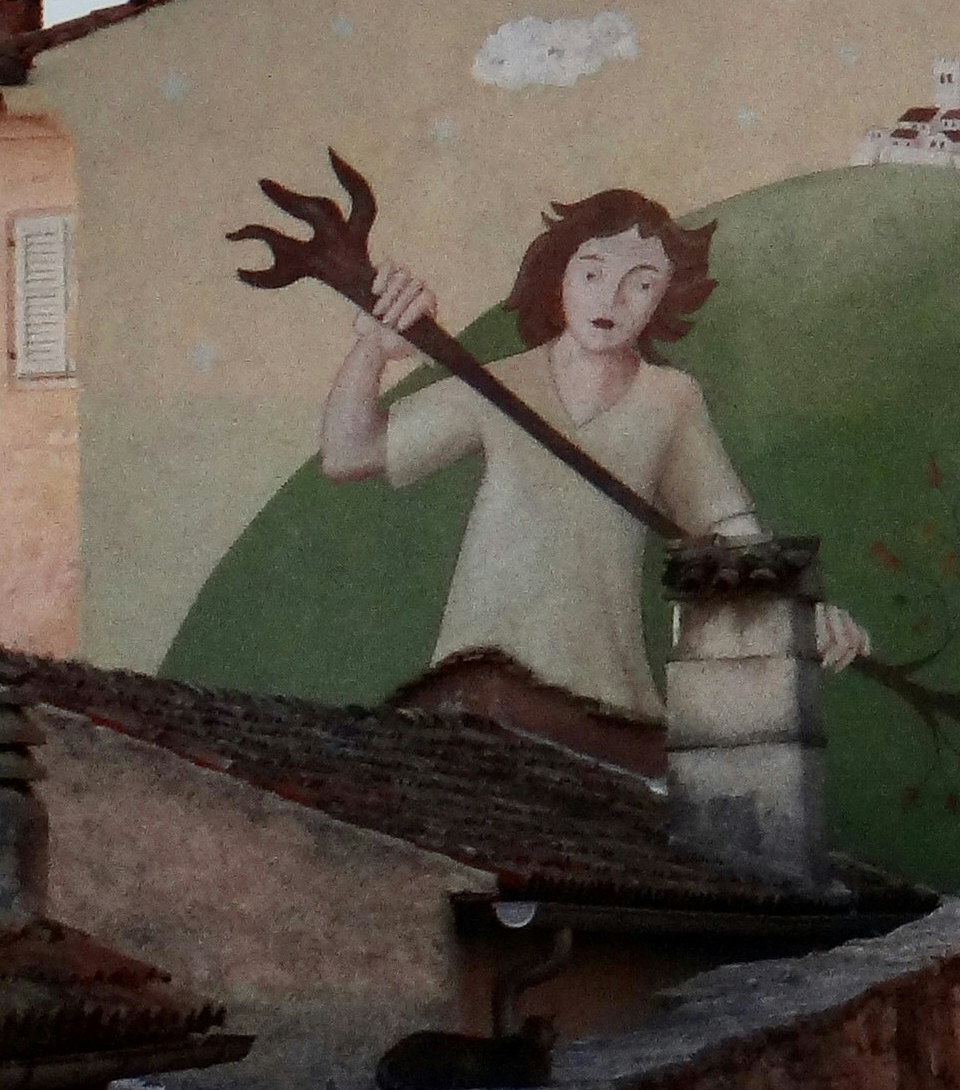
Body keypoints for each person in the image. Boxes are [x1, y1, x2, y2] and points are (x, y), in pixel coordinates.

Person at [319, 185, 871, 728]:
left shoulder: (669, 400)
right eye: (592, 274)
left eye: (642, 283)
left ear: (665, 296)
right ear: (558, 277)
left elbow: (726, 528)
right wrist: (374, 348)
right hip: (477, 693)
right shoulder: (498, 384)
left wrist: (801, 613)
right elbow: (348, 454)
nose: (610, 299)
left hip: (605, 700)